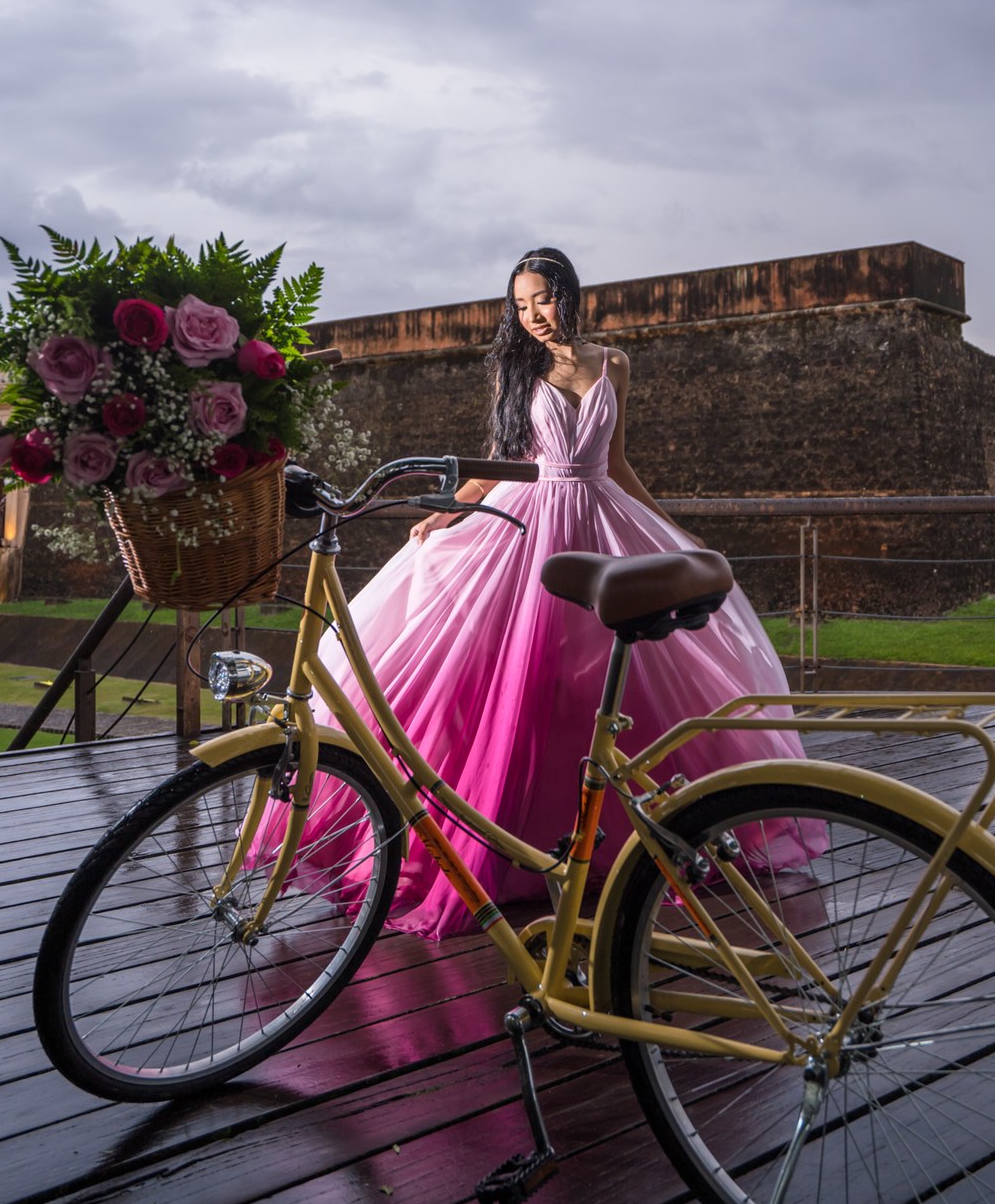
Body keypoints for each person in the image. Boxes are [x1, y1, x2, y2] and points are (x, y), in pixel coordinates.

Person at [273, 248, 809, 939]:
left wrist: (673, 530)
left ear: (569, 296)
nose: (534, 318)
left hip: (604, 517)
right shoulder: (516, 367)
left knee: (614, 681)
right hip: (532, 526)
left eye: (543, 302)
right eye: (521, 307)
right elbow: (512, 459)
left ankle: (632, 838)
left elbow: (615, 462)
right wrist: (451, 511)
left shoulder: (614, 361)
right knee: (519, 677)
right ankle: (510, 845)